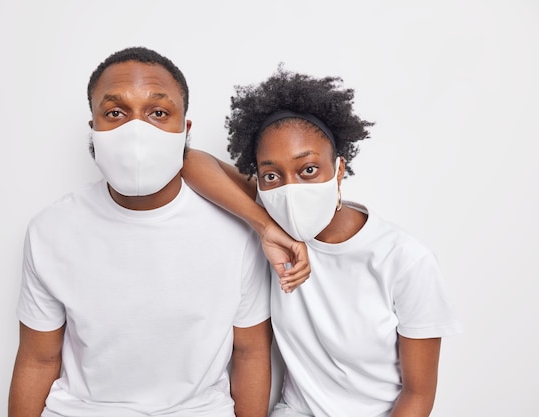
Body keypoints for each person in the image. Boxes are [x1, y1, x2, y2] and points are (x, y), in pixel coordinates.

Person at [8, 47, 308, 417]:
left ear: (184, 129)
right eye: (115, 113)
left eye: (159, 113)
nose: (137, 131)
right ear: (94, 128)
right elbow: (37, 359)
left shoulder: (238, 231)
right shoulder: (50, 230)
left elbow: (250, 353)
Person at [182, 66, 463, 417]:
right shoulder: (275, 217)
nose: (291, 188)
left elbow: (418, 396)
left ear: (339, 168)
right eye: (271, 175)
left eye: (308, 169)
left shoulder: (405, 260)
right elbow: (187, 160)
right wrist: (264, 227)